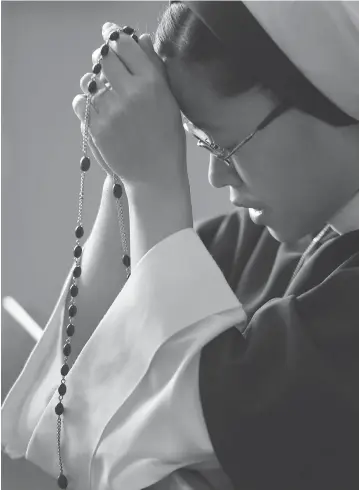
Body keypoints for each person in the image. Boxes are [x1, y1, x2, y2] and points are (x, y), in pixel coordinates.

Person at [2, 1, 359, 490]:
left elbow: (165, 438)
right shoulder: (251, 242)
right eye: (202, 147)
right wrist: (130, 176)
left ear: (318, 93)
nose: (216, 176)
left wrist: (153, 183)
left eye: (226, 144)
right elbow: (66, 420)